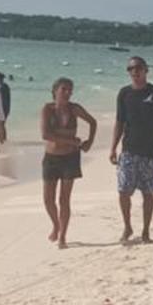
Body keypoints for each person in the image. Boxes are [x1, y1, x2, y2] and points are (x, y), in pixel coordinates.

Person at [109, 56, 153, 243]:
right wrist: (113, 148)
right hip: (129, 150)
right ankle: (127, 227)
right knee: (124, 191)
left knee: (147, 193)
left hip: (151, 151)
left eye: (139, 68)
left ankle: (146, 230)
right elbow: (119, 122)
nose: (135, 71)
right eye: (131, 69)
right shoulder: (124, 94)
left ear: (146, 70)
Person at [39, 77, 96, 249]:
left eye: (70, 90)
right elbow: (46, 135)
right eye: (64, 89)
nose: (67, 93)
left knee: (64, 199)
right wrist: (73, 141)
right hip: (51, 158)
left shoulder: (75, 109)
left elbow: (93, 122)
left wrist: (89, 142)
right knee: (48, 199)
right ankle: (56, 225)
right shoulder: (47, 109)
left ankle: (63, 235)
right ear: (55, 90)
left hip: (70, 158)